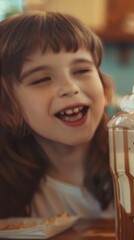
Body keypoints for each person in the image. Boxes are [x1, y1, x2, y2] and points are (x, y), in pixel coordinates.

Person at [0, 11, 114, 218]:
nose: (70, 88)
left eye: (81, 71)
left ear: (105, 92)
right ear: (8, 108)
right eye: (42, 79)